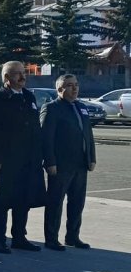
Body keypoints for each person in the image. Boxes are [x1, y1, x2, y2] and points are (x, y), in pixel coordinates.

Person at [0, 61, 43, 254]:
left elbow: (35, 126)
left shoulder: (29, 97)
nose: (22, 77)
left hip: (29, 158)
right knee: (3, 201)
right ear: (6, 78)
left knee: (24, 200)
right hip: (8, 159)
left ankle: (19, 236)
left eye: (23, 73)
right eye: (17, 74)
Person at [41, 74, 96, 251]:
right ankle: (51, 238)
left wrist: (92, 157)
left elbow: (88, 135)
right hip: (60, 165)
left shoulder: (81, 107)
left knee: (77, 202)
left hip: (80, 164)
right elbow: (46, 139)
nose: (74, 88)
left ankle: (72, 236)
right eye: (70, 85)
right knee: (55, 202)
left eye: (76, 85)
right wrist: (50, 162)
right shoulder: (52, 108)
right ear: (59, 89)